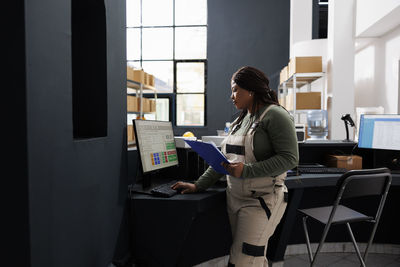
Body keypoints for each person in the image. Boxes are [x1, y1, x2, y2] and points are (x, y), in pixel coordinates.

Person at [172, 66, 299, 266]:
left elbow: (290, 158)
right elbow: (222, 160)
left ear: (251, 89)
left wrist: (246, 170)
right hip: (235, 199)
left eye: (235, 89)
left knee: (244, 260)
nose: (232, 96)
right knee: (254, 259)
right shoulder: (240, 121)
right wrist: (198, 185)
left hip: (262, 201)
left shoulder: (275, 115)